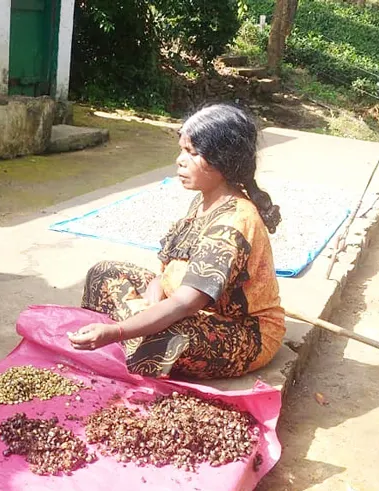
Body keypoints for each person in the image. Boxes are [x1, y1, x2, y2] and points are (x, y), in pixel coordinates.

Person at [68, 103, 285, 380]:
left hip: (242, 332)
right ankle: (137, 324)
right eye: (182, 150)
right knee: (103, 274)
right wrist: (156, 289)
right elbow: (173, 267)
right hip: (192, 306)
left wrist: (118, 331)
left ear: (223, 160)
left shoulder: (233, 223)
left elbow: (186, 303)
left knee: (163, 338)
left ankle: (130, 330)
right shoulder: (205, 200)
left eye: (192, 153)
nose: (179, 160)